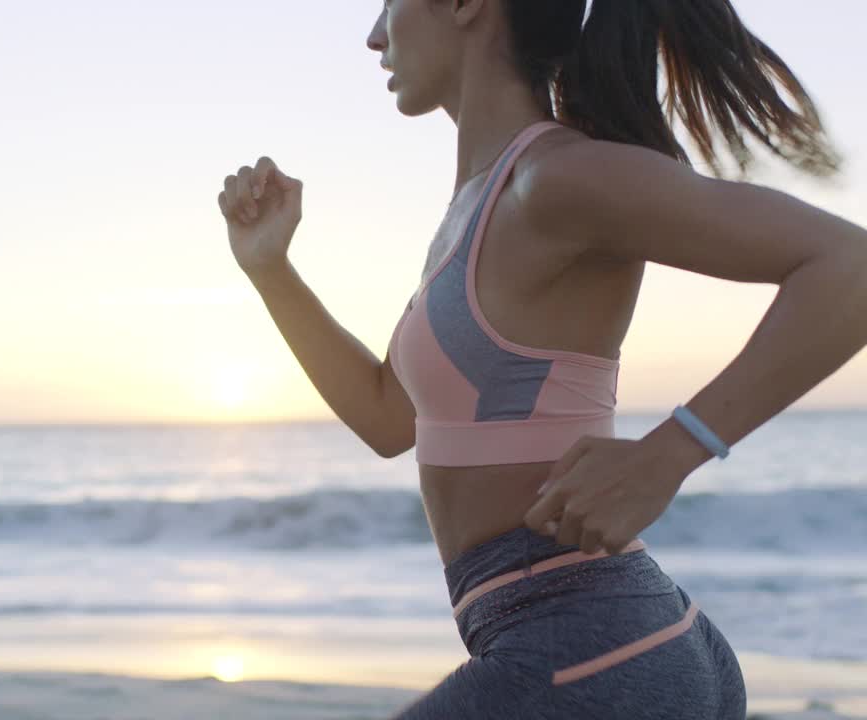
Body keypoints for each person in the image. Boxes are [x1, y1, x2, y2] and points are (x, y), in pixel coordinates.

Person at [216, 0, 867, 717]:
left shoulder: (555, 178)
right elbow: (387, 420)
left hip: (590, 653)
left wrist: (672, 452)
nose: (374, 35)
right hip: (608, 648)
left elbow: (849, 267)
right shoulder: (480, 206)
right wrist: (269, 269)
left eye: (389, 3)